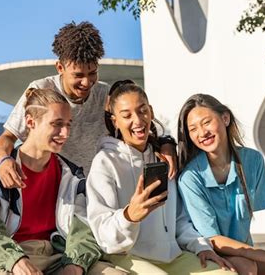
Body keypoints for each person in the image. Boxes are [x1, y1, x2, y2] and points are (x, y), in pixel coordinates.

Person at [0, 21, 177, 189]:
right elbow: (7, 138)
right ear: (60, 68)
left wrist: (167, 144)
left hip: (93, 188)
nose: (87, 82)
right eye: (78, 75)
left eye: (92, 73)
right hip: (52, 186)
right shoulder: (41, 90)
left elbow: (140, 128)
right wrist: (3, 160)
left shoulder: (104, 95)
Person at [0, 88, 124, 275]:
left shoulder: (73, 177)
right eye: (57, 124)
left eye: (68, 125)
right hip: (3, 259)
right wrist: (16, 261)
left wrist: (75, 265)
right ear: (30, 122)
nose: (65, 133)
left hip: (58, 255)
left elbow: (84, 230)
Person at [86, 81, 236, 275]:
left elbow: (180, 219)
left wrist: (201, 246)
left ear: (151, 112)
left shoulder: (164, 158)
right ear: (115, 121)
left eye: (142, 111)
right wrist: (130, 215)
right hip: (127, 256)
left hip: (171, 255)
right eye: (127, 115)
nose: (138, 121)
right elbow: (103, 233)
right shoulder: (105, 162)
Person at [177, 93, 265, 275]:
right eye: (193, 129)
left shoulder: (253, 161)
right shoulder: (190, 177)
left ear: (225, 118)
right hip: (204, 253)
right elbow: (211, 238)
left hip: (243, 253)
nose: (202, 133)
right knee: (248, 268)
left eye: (206, 122)